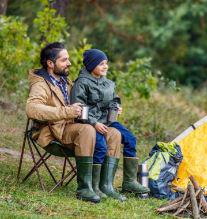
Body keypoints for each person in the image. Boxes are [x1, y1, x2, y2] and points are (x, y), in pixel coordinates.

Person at [26, 42, 122, 203]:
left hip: (72, 128)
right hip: (52, 133)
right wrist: (67, 111)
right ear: (50, 64)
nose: (69, 63)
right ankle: (85, 188)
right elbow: (32, 108)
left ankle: (103, 186)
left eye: (68, 59)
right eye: (64, 60)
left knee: (114, 134)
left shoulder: (66, 81)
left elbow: (90, 102)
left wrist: (112, 107)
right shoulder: (41, 84)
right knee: (87, 130)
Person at [70, 49, 150, 201]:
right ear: (92, 65)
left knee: (130, 139)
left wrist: (116, 109)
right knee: (100, 146)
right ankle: (95, 187)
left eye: (106, 63)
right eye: (101, 64)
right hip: (90, 123)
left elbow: (114, 100)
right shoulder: (81, 83)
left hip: (108, 121)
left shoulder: (108, 83)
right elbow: (79, 108)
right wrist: (94, 123)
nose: (105, 67)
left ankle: (129, 182)